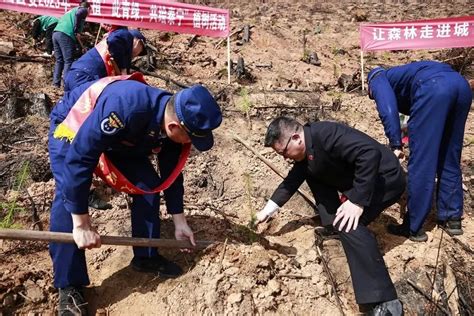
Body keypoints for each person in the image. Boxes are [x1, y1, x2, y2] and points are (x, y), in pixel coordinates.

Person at [48, 74, 222, 315]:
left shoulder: (172, 123)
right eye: (192, 139)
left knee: (149, 186)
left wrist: (179, 222)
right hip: (74, 127)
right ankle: (70, 287)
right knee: (67, 197)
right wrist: (81, 223)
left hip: (120, 139)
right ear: (174, 128)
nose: (191, 145)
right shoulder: (127, 105)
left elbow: (171, 175)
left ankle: (146, 256)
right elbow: (80, 157)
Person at [255, 117, 405, 315]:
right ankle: (333, 224)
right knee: (312, 173)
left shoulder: (327, 135)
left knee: (349, 224)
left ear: (296, 138)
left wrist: (356, 201)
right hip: (362, 181)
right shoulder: (307, 150)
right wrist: (266, 211)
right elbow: (290, 183)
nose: (285, 158)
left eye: (283, 152)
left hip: (384, 178)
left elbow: (370, 153)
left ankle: (386, 301)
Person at [367, 61, 472, 241]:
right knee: (449, 154)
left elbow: (388, 108)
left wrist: (396, 144)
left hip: (434, 88)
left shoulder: (377, 77)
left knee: (423, 160)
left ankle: (414, 226)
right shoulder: (404, 74)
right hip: (461, 87)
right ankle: (452, 218)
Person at [64, 28, 147, 92]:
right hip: (85, 76)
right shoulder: (125, 36)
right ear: (138, 42)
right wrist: (123, 68)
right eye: (140, 50)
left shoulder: (120, 52)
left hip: (79, 74)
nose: (137, 55)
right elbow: (114, 40)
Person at [52, 1, 90, 88]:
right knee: (68, 61)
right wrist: (76, 29)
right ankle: (66, 85)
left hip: (56, 33)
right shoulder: (83, 10)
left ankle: (55, 83)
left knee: (59, 60)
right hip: (65, 34)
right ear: (88, 8)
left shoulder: (71, 11)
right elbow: (80, 14)